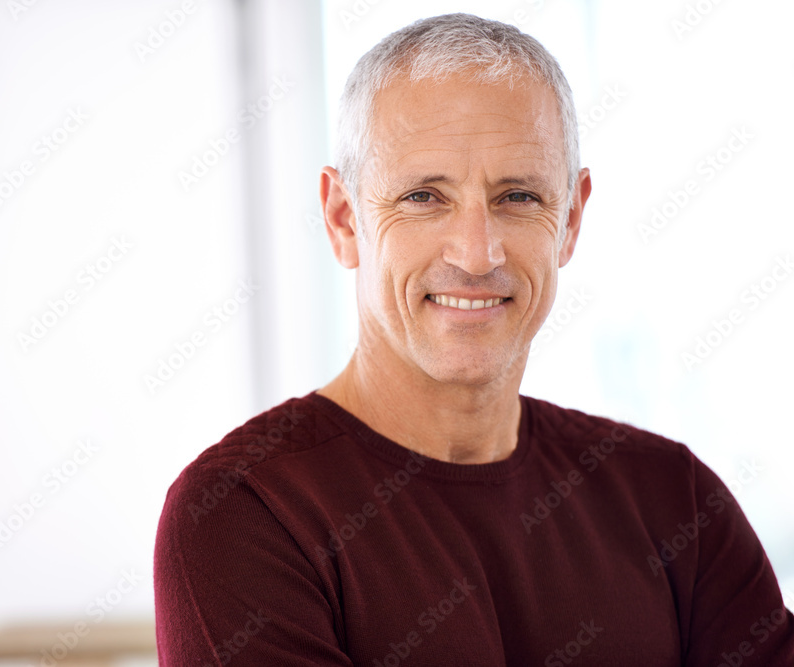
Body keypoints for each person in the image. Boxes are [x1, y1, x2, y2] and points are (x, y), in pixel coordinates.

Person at [154, 12, 794, 665]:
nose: (477, 252)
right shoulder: (244, 513)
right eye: (424, 196)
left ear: (570, 219)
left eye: (517, 195)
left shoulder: (676, 500)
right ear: (344, 219)